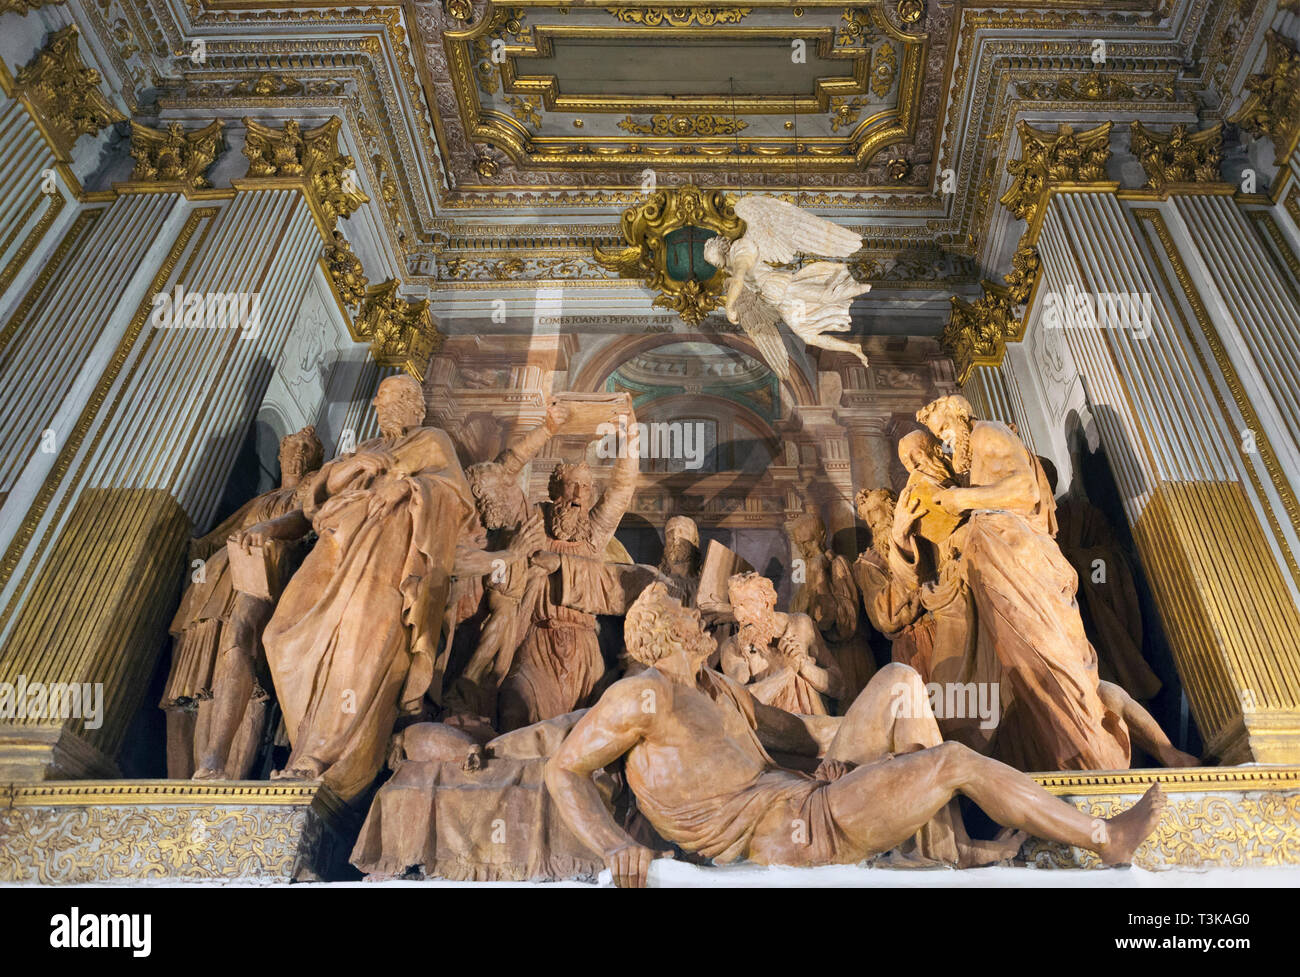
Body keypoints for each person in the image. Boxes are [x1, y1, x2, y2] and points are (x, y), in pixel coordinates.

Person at [545, 584, 1168, 888]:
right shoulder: (643, 695)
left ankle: (945, 845)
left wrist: (872, 752)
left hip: (806, 792)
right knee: (951, 760)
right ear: (662, 632)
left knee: (898, 677)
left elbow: (808, 731)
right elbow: (563, 770)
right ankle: (1104, 838)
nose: (700, 616)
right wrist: (610, 848)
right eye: (685, 612)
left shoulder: (719, 688)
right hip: (787, 831)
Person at [238, 375, 481, 802]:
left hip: (388, 565)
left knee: (358, 654)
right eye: (380, 400)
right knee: (281, 635)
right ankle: (305, 747)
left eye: (392, 400)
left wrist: (408, 486)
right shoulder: (365, 449)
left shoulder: (433, 440)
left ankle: (320, 761)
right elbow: (314, 498)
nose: (380, 407)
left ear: (416, 407)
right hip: (334, 549)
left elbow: (456, 500)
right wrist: (351, 468)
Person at [718, 571, 844, 716]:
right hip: (768, 731)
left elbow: (839, 687)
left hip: (812, 725)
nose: (739, 616)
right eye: (734, 607)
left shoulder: (800, 625)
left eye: (745, 605)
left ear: (765, 603)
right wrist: (788, 670)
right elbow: (741, 703)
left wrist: (804, 667)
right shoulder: (732, 647)